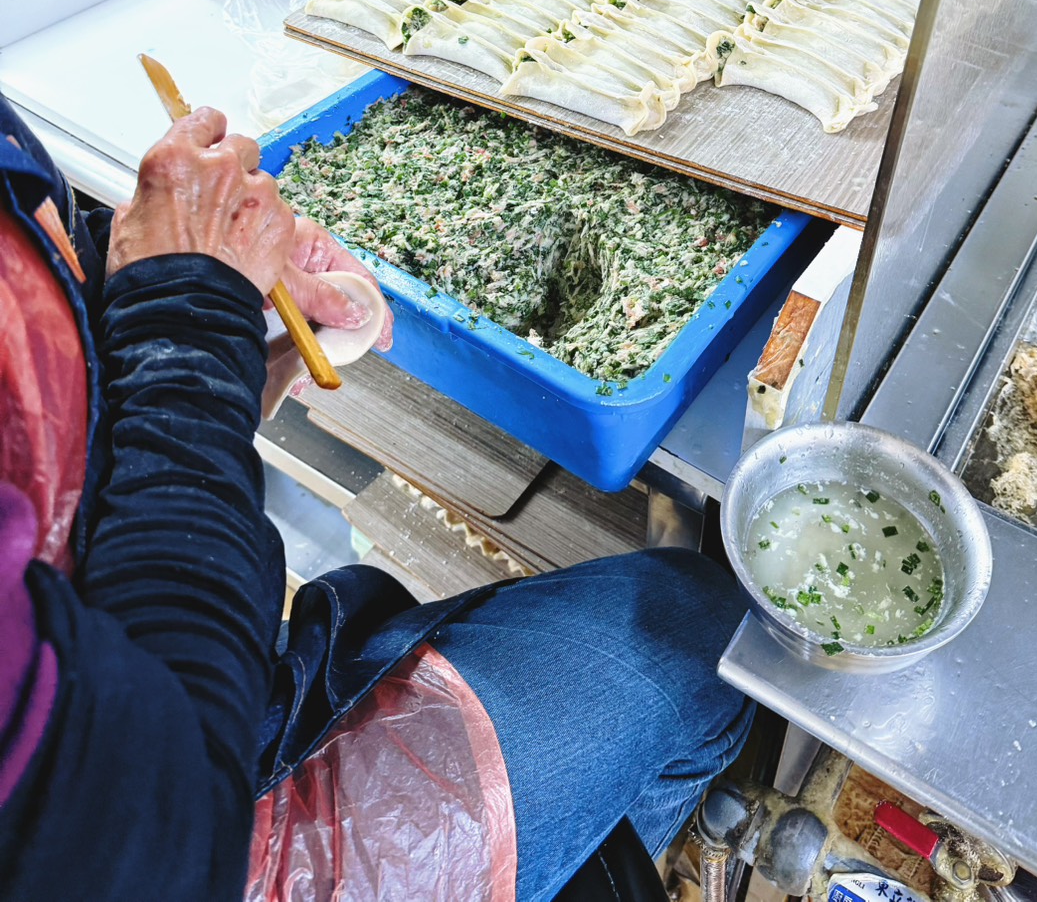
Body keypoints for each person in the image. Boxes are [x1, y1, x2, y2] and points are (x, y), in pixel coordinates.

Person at [0, 92, 751, 902]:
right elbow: (152, 820)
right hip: (206, 830)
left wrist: (154, 294)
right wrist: (185, 325)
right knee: (703, 635)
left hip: (143, 657)